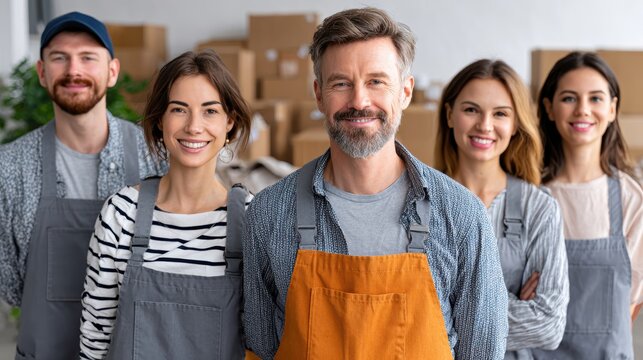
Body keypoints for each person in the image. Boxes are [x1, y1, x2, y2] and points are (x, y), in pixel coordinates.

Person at [243, 7, 508, 360]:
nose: (359, 101)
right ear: (319, 94)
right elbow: (259, 349)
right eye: (341, 83)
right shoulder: (269, 213)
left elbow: (483, 353)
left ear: (405, 92)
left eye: (376, 81)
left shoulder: (461, 216)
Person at [0, 11, 165, 359]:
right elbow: (13, 286)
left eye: (88, 57)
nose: (74, 70)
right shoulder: (10, 168)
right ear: (42, 73)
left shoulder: (155, 158)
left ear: (112, 72)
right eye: (60, 58)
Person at [78, 49, 253, 359]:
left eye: (210, 111)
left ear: (230, 122)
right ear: (160, 119)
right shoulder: (121, 214)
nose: (194, 126)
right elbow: (95, 335)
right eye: (179, 109)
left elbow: (260, 341)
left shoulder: (251, 220)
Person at [435, 59, 569, 359]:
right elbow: (404, 308)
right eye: (471, 109)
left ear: (515, 124)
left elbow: (548, 324)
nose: (485, 125)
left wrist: (447, 308)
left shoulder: (539, 208)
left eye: (500, 114)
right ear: (450, 115)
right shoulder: (419, 201)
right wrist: (506, 305)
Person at [532, 51, 643, 359]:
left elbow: (629, 307)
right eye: (569, 98)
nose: (583, 110)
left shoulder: (632, 200)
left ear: (612, 109)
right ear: (549, 108)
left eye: (596, 98)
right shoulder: (528, 195)